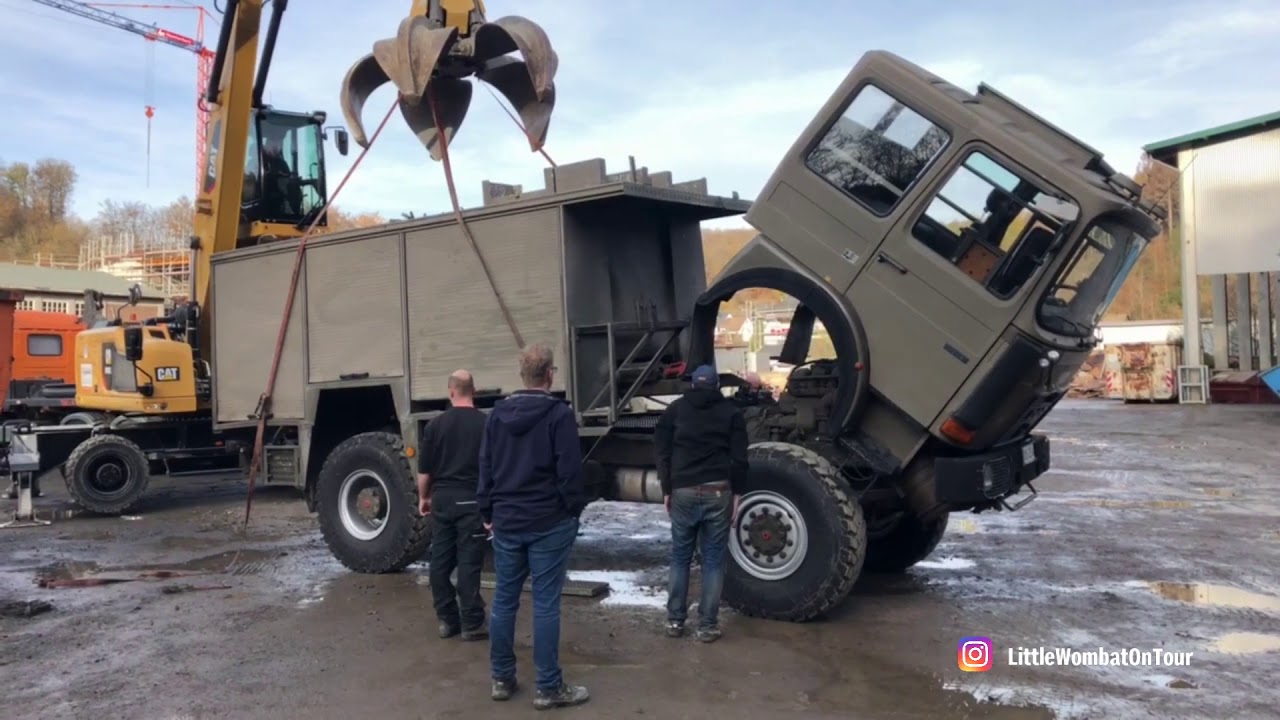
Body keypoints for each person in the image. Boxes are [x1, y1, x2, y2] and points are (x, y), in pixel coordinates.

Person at [477, 343, 590, 710]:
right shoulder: (558, 415)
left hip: (508, 521)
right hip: (548, 522)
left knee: (504, 602)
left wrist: (487, 509)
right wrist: (573, 511)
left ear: (522, 375)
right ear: (550, 375)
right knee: (545, 604)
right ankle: (548, 687)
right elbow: (570, 471)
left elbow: (486, 466)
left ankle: (501, 679)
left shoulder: (497, 416)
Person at [654, 364, 749, 643]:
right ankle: (707, 626)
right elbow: (740, 459)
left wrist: (667, 488)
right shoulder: (731, 413)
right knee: (713, 561)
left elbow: (662, 448)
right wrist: (738, 494)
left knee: (680, 558)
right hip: (718, 491)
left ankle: (675, 622)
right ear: (717, 385)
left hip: (683, 490)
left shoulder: (676, 410)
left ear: (693, 384)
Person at [417, 370, 489, 642]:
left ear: (451, 392)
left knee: (440, 562)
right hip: (472, 500)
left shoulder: (436, 426)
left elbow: (425, 471)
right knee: (469, 565)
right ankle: (472, 624)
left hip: (443, 501)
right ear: (474, 391)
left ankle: (447, 621)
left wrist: (424, 498)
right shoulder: (486, 424)